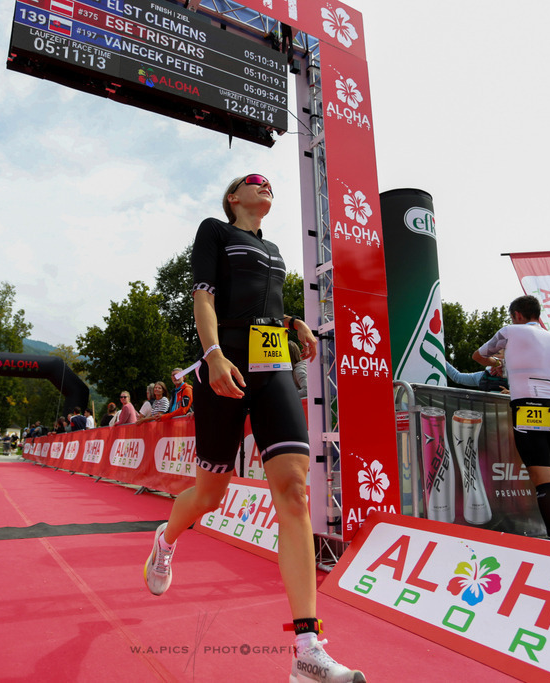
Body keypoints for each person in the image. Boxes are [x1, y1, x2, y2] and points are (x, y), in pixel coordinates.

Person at [143, 174, 364, 681]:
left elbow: (260, 306)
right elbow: (205, 298)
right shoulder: (214, 233)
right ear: (232, 199)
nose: (266, 186)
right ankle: (166, 539)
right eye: (253, 182)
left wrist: (293, 324)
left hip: (274, 368)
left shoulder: (277, 251)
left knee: (295, 493)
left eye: (270, 184)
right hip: (225, 369)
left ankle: (307, 648)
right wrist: (213, 354)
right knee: (208, 495)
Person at [474, 295, 550, 542]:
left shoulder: (510, 331)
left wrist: (498, 362)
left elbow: (479, 355)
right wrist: (511, 366)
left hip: (528, 403)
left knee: (541, 474)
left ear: (516, 314)